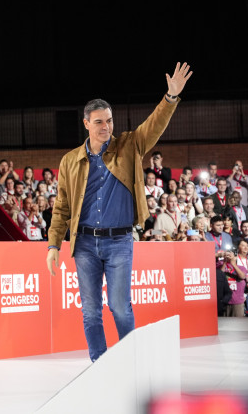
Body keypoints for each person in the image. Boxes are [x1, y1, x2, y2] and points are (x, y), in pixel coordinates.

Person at [46, 62, 193, 362]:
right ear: (86, 123)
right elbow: (61, 208)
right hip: (84, 244)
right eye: (99, 122)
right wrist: (52, 245)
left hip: (119, 242)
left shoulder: (129, 145)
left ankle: (130, 363)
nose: (106, 127)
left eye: (109, 121)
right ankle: (99, 365)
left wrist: (171, 98)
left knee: (120, 306)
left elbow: (153, 125)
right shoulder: (69, 161)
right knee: (90, 312)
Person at [220, 250, 247, 317]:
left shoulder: (241, 267)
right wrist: (224, 262)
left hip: (237, 302)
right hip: (225, 301)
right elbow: (219, 276)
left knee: (237, 325)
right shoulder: (222, 266)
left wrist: (233, 264)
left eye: (230, 254)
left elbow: (242, 276)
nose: (229, 256)